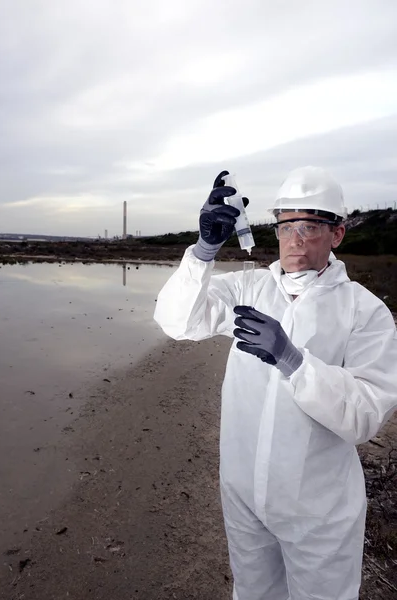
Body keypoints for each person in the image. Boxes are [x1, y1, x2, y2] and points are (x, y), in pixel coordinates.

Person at [153, 166, 397, 600]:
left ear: (337, 234)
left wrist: (293, 360)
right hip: (244, 497)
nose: (295, 239)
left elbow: (364, 417)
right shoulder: (250, 287)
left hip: (319, 511)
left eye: (310, 226)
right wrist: (204, 250)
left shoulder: (366, 312)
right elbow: (177, 321)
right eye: (286, 226)